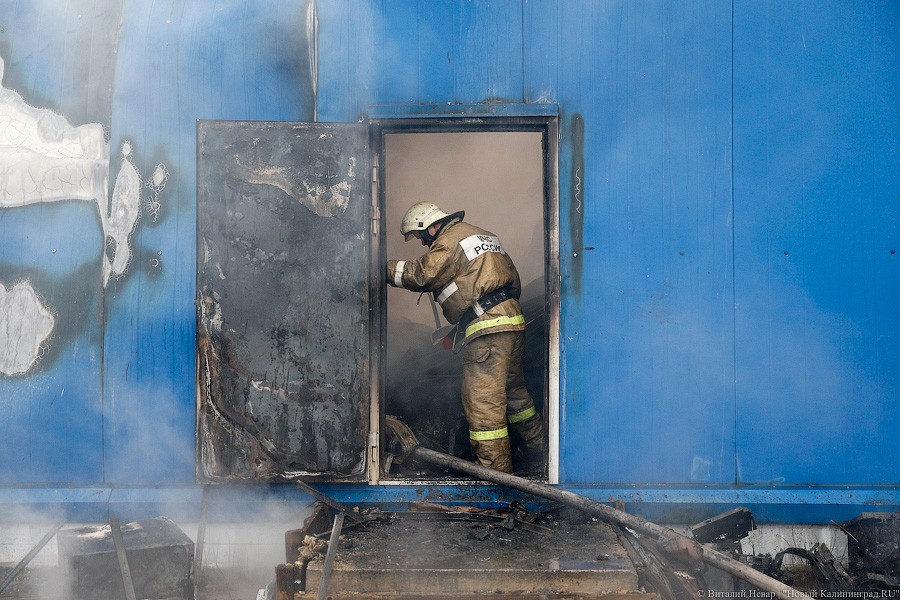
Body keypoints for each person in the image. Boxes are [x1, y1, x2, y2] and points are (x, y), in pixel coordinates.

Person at [386, 201, 545, 474]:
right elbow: (513, 283)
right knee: (515, 395)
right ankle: (539, 449)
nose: (423, 243)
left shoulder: (449, 240)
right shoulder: (483, 235)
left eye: (422, 236)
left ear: (433, 226)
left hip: (489, 329)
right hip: (511, 323)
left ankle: (496, 476)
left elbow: (422, 274)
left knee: (483, 405)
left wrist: (381, 268)